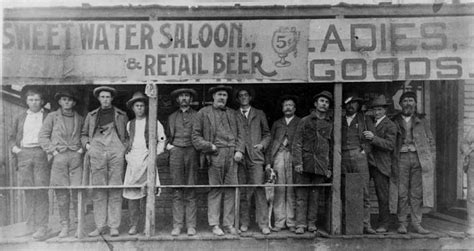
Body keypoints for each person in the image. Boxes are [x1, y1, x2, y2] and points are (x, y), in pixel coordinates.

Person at [192, 85, 244, 236]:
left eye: (225, 95)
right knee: (215, 189)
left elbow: (241, 135)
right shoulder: (203, 113)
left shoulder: (233, 114)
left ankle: (228, 224)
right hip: (215, 154)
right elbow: (195, 137)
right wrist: (210, 146)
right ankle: (214, 224)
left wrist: (239, 150)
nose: (222, 98)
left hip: (232, 155)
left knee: (230, 189)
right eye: (219, 94)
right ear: (213, 96)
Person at [81, 86, 128, 237]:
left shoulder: (121, 115)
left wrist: (122, 148)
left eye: (108, 97)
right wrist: (88, 146)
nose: (105, 99)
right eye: (102, 97)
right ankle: (100, 226)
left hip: (115, 151)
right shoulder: (92, 115)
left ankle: (114, 226)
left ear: (112, 99)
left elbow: (127, 136)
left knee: (115, 188)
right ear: (99, 99)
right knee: (99, 189)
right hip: (97, 152)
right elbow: (83, 134)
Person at [39, 89, 84, 238]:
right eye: (64, 99)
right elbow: (43, 136)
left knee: (78, 192)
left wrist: (80, 151)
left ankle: (79, 225)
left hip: (76, 158)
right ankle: (65, 225)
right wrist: (53, 151)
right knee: (61, 193)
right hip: (59, 158)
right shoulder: (52, 117)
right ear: (59, 102)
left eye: (70, 100)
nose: (67, 102)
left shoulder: (80, 118)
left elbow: (85, 136)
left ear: (74, 102)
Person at [9, 87, 50, 239]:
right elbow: (12, 137)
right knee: (28, 190)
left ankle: (42, 227)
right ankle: (30, 225)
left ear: (42, 101)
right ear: (26, 101)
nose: (34, 102)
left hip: (41, 154)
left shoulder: (48, 116)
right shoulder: (20, 117)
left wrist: (49, 152)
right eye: (31, 99)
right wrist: (16, 149)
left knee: (41, 190)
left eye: (37, 99)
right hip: (24, 154)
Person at [123, 92, 166, 235]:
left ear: (145, 107)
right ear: (133, 108)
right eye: (137, 106)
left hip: (148, 161)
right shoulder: (130, 124)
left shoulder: (154, 122)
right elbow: (127, 142)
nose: (140, 108)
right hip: (133, 162)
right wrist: (127, 155)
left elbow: (162, 141)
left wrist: (154, 156)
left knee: (147, 194)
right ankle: (133, 225)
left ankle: (147, 224)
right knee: (132, 196)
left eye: (142, 105)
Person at [392, 92, 435, 234]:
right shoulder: (394, 120)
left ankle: (417, 223)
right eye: (405, 100)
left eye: (411, 100)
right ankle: (402, 223)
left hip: (419, 158)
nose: (408, 103)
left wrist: (430, 159)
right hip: (401, 158)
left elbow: (430, 140)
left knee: (417, 193)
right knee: (402, 192)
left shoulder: (422, 120)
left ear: (415, 103)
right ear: (400, 103)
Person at [292, 91, 333, 234]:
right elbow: (297, 143)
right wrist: (298, 162)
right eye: (321, 101)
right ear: (315, 104)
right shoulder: (305, 121)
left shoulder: (329, 124)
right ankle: (300, 224)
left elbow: (332, 147)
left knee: (315, 197)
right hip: (305, 163)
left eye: (327, 102)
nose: (324, 104)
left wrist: (328, 167)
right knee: (301, 196)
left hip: (321, 165)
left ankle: (311, 223)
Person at [235, 87, 271, 235]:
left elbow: (267, 134)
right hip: (240, 158)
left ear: (250, 97)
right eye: (240, 96)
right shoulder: (234, 114)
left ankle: (263, 224)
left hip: (256, 157)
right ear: (238, 99)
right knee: (243, 191)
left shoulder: (259, 113)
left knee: (258, 189)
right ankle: (244, 222)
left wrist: (262, 145)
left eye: (246, 95)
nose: (243, 97)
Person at [265, 95, 300, 232]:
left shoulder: (299, 122)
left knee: (291, 189)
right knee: (279, 189)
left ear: (295, 108)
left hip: (293, 157)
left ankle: (291, 222)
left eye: (290, 105)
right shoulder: (277, 123)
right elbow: (270, 144)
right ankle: (279, 222)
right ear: (282, 108)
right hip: (278, 156)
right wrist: (268, 162)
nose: (288, 107)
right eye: (285, 105)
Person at [341, 93, 376, 234]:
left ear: (358, 105)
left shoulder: (365, 120)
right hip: (343, 156)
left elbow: (372, 138)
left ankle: (366, 224)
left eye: (354, 103)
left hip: (359, 155)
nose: (351, 106)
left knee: (364, 191)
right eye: (349, 103)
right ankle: (346, 224)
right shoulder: (339, 120)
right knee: (344, 190)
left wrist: (364, 151)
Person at [166, 88, 199, 236]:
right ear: (177, 99)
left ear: (190, 99)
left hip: (192, 152)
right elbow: (167, 136)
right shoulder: (172, 117)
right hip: (176, 152)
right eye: (181, 96)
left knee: (190, 189)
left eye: (187, 96)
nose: (184, 98)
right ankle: (177, 225)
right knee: (177, 189)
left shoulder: (198, 115)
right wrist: (170, 147)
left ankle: (191, 226)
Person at [363, 95, 397, 233]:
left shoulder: (390, 125)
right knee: (364, 193)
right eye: (375, 110)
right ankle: (364, 223)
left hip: (381, 164)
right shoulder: (370, 122)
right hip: (368, 162)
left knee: (382, 196)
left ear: (385, 110)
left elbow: (390, 145)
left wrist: (373, 138)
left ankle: (384, 224)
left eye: (379, 110)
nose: (377, 112)